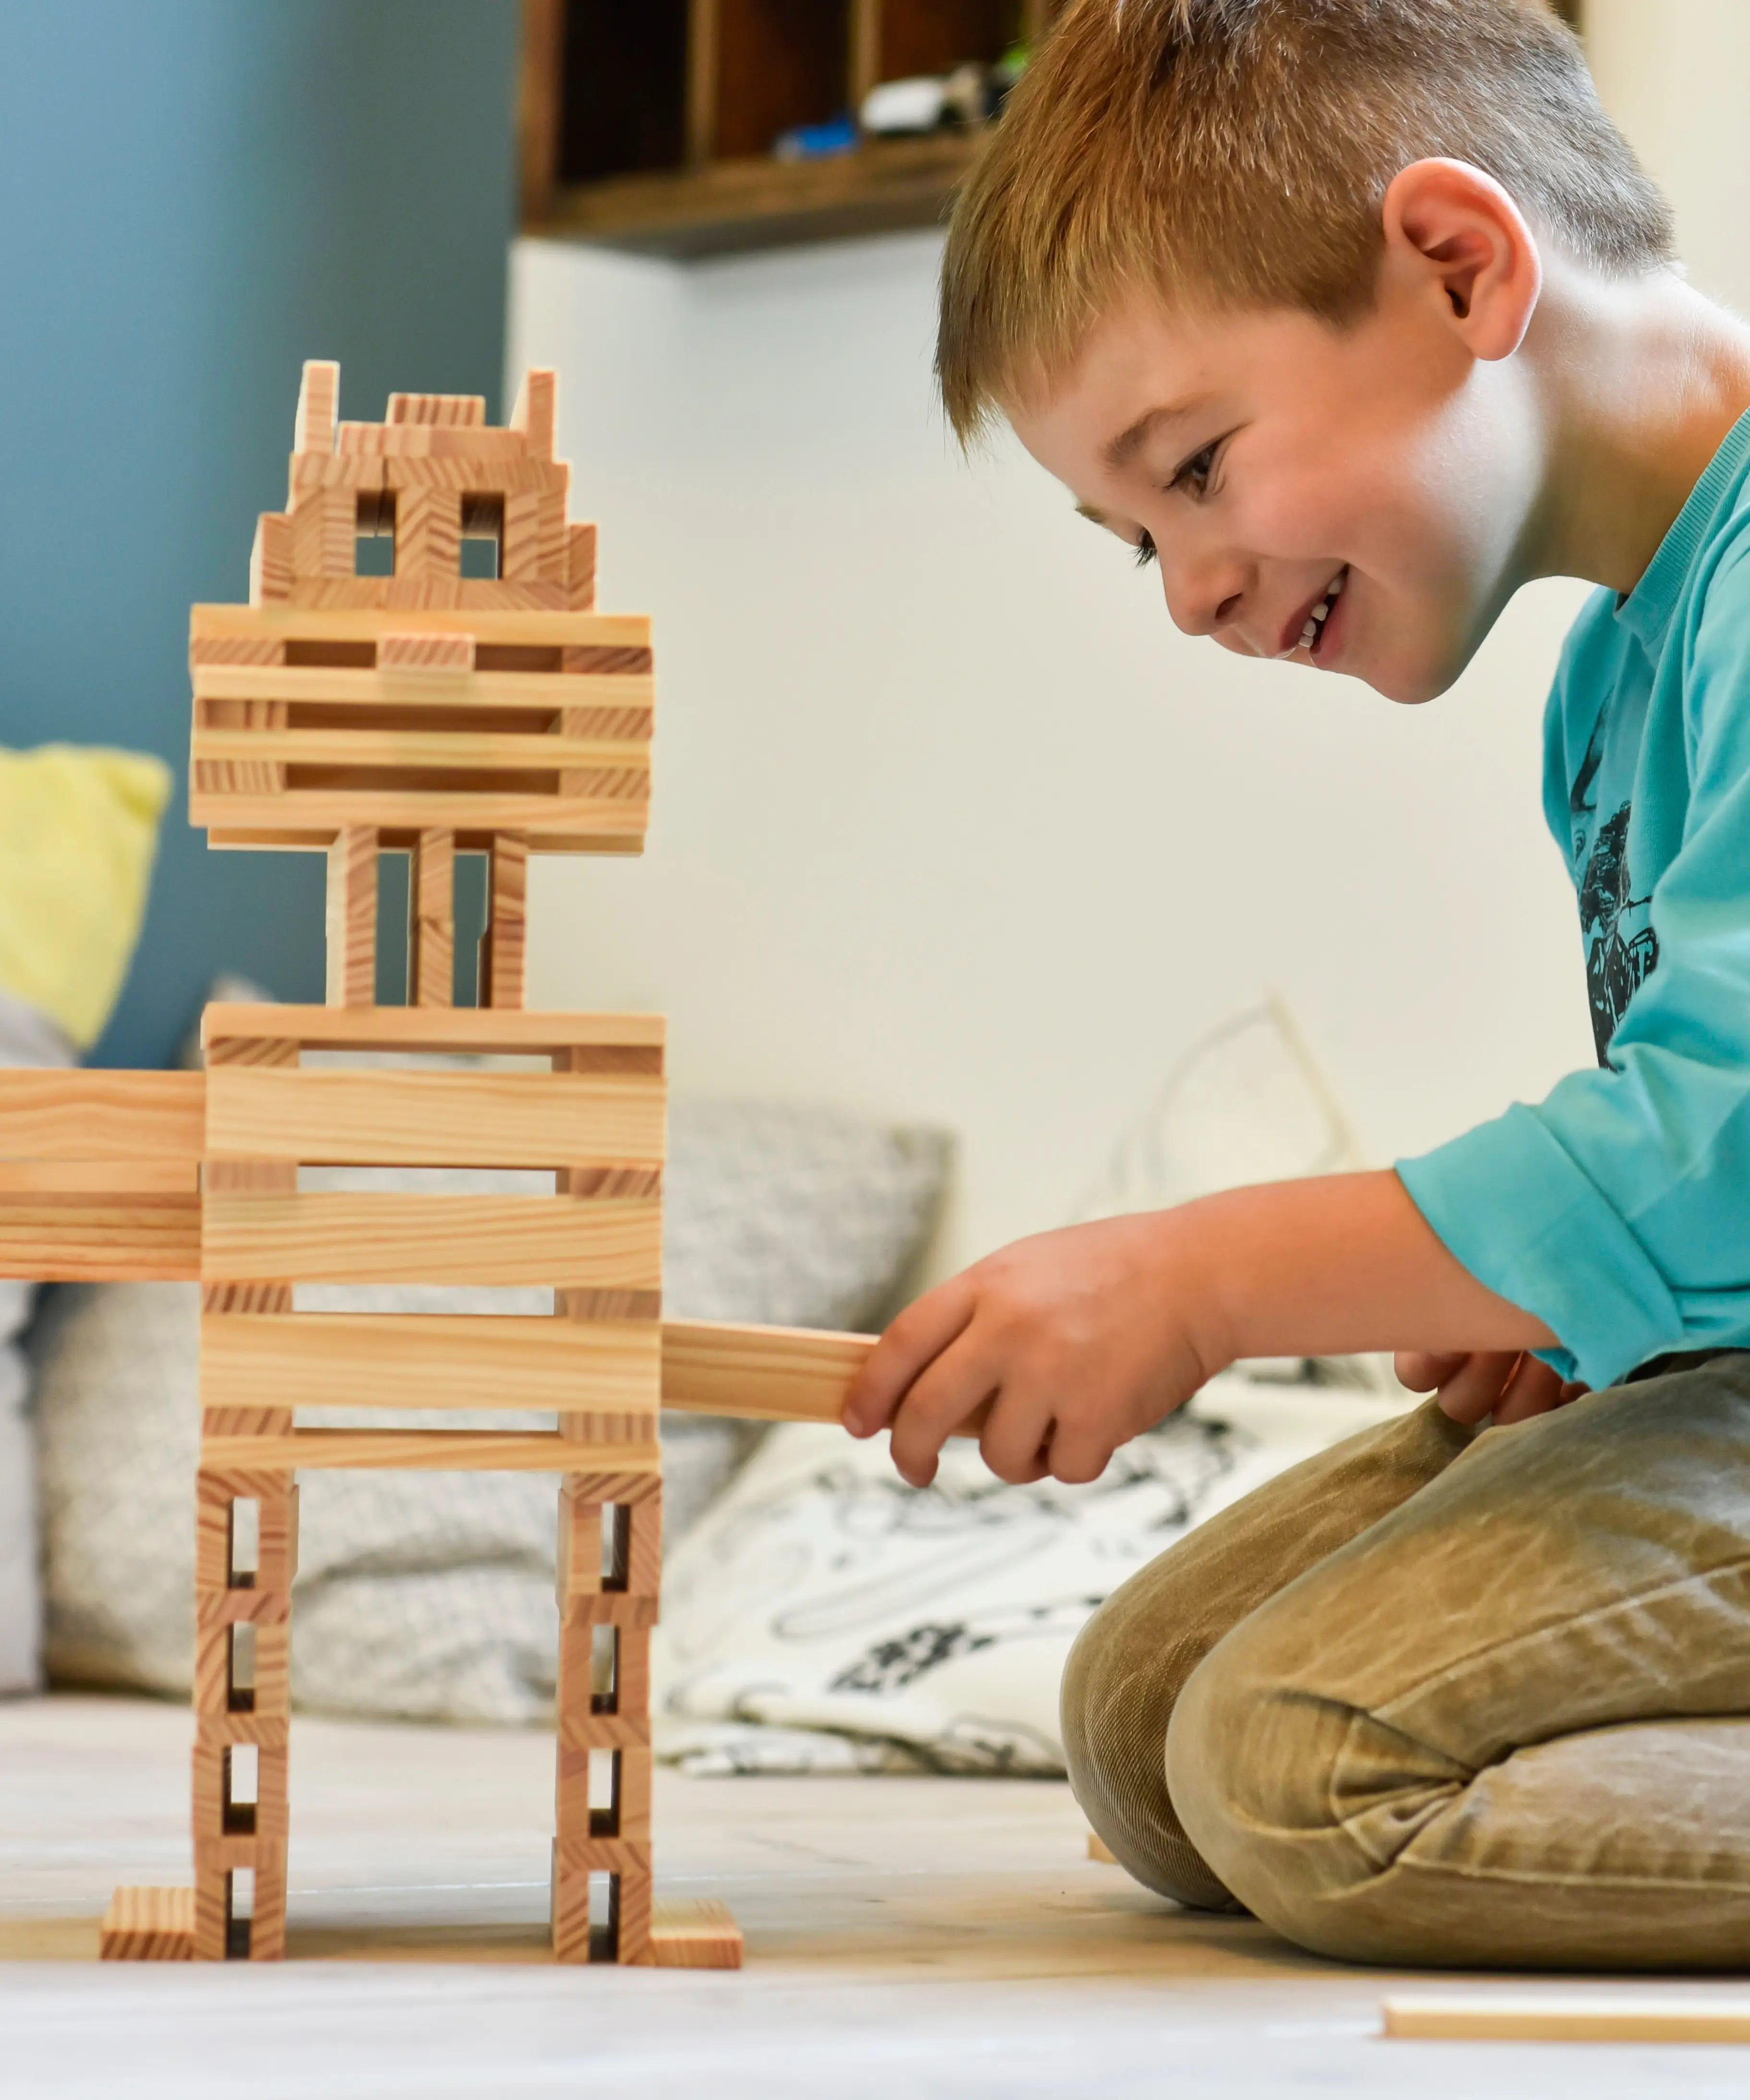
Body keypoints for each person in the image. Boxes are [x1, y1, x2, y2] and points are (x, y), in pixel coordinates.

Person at [842, 0, 1750, 1969]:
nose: (1187, 591)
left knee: (1302, 1769)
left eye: (1195, 468)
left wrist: (1199, 1278)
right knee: (1144, 1720)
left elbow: (1726, 1145)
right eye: (1135, 541)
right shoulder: (1608, 687)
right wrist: (1585, 1306)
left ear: (1458, 266)